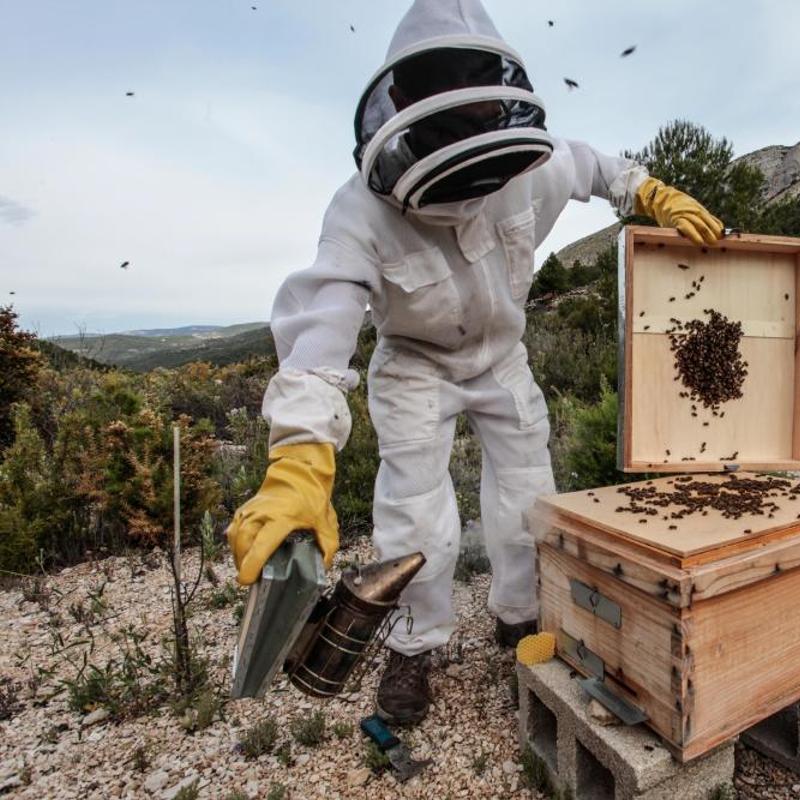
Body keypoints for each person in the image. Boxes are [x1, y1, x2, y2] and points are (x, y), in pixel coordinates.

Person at [226, 0, 723, 726]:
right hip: (414, 365)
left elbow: (593, 165)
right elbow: (322, 328)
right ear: (406, 106)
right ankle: (414, 643)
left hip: (501, 357)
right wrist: (299, 458)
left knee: (528, 492)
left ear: (497, 101)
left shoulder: (530, 168)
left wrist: (648, 190)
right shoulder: (359, 213)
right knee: (414, 513)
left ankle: (519, 614)